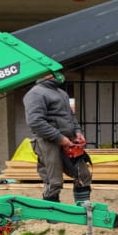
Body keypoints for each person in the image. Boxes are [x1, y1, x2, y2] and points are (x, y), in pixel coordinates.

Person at [23, 73, 91, 206]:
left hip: (69, 140)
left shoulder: (61, 93)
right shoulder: (35, 93)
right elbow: (35, 121)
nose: (60, 74)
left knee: (83, 174)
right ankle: (51, 214)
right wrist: (60, 138)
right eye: (54, 72)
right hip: (47, 142)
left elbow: (71, 117)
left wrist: (77, 132)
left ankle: (83, 208)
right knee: (54, 181)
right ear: (43, 74)